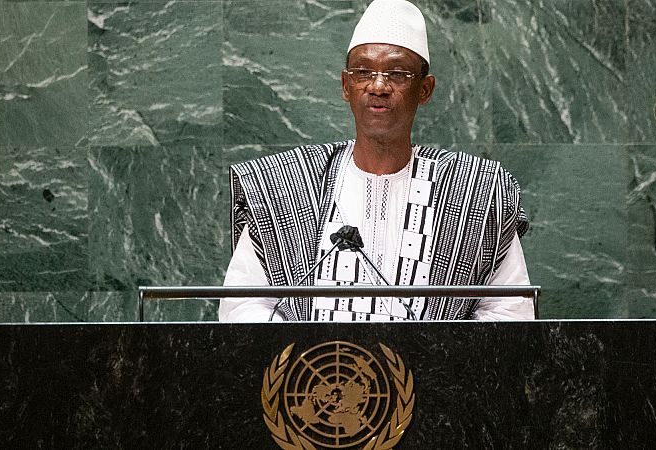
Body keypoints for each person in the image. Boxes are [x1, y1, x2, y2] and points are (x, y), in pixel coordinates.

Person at [219, 0, 533, 322]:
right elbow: (243, 307)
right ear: (346, 86)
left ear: (425, 90)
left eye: (396, 73)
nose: (378, 86)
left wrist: (440, 367)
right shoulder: (282, 186)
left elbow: (509, 313)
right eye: (363, 72)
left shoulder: (477, 192)